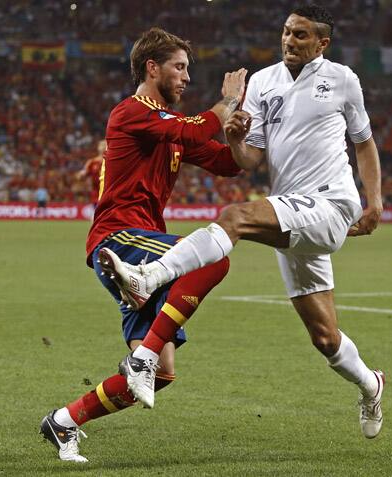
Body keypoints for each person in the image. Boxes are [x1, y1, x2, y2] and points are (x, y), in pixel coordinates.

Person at [100, 5, 386, 439]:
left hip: (331, 203)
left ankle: (150, 275)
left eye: (302, 35)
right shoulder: (264, 82)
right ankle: (371, 384)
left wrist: (375, 201)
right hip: (291, 209)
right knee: (325, 338)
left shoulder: (343, 79)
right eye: (287, 32)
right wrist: (234, 137)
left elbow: (364, 143)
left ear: (322, 43)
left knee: (235, 216)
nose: (290, 40)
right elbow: (247, 160)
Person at [39, 27, 247, 462]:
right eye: (180, 67)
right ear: (152, 68)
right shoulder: (131, 112)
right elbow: (193, 132)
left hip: (138, 250)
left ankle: (63, 422)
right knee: (214, 256)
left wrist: (236, 133)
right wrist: (226, 103)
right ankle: (141, 358)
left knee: (164, 373)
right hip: (119, 240)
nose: (187, 77)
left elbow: (228, 164)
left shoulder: (167, 128)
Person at [77, 139, 106, 206]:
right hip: (96, 194)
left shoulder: (111, 161)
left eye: (105, 145)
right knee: (97, 214)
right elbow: (83, 173)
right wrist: (81, 175)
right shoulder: (92, 162)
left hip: (108, 193)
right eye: (102, 145)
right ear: (98, 148)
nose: (103, 147)